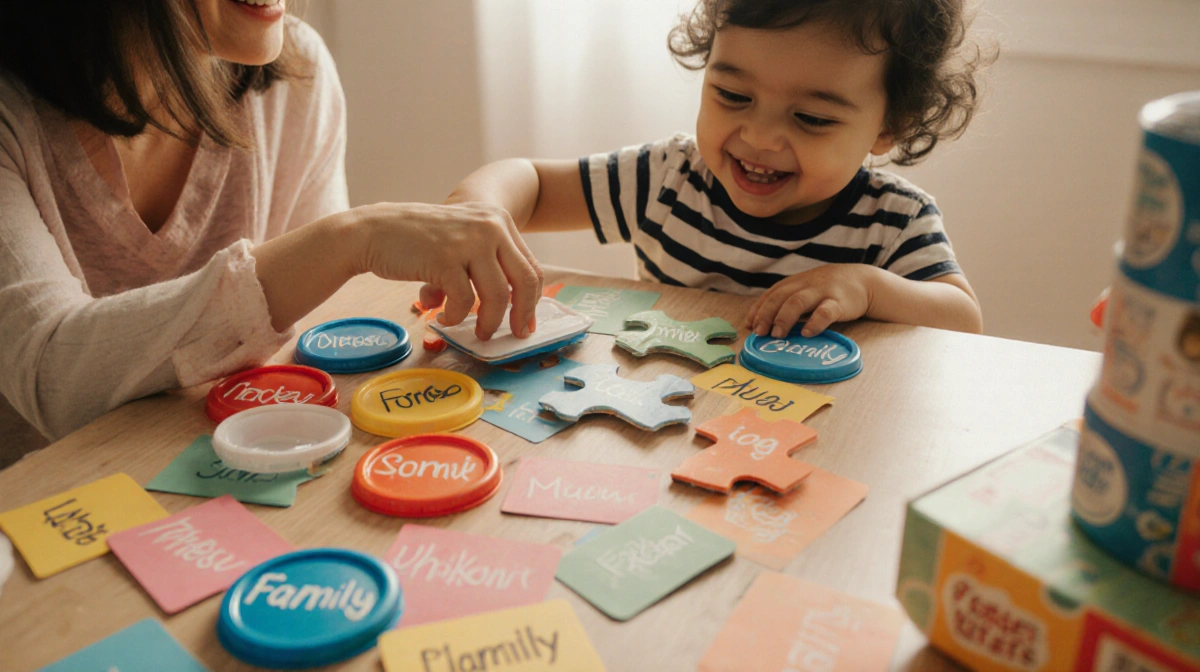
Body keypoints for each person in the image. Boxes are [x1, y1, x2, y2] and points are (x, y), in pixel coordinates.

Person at [0, 0, 542, 468]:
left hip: (213, 488)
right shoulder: (14, 118)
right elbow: (52, 376)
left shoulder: (296, 73)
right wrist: (350, 239)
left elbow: (311, 342)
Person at [440, 0, 988, 344]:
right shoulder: (669, 179)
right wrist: (478, 211)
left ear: (889, 125)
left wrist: (869, 288)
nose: (759, 138)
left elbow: (964, 322)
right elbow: (532, 187)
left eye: (812, 118)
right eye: (731, 95)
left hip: (823, 440)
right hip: (666, 420)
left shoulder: (893, 220)